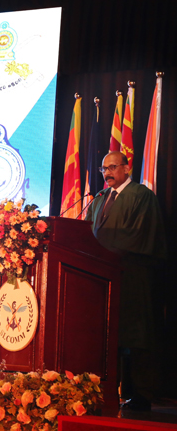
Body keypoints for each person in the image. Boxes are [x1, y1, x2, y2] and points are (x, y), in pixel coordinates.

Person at [85, 151, 166, 411]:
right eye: (103, 169)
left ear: (126, 168)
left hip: (132, 276)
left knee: (135, 336)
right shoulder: (99, 199)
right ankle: (105, 388)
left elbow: (139, 234)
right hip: (101, 279)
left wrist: (104, 252)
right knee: (105, 337)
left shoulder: (142, 196)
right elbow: (85, 235)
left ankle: (140, 394)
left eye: (112, 167)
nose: (107, 173)